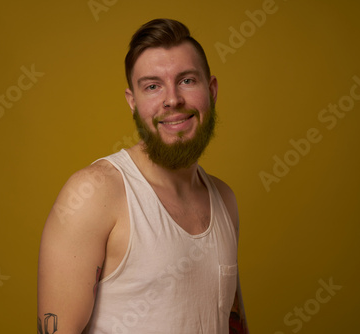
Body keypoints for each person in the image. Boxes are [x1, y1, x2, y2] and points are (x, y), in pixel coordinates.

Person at [38, 18, 249, 334]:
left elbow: (232, 322)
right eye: (153, 86)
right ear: (133, 103)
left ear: (212, 90)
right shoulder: (95, 194)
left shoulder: (224, 199)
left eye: (187, 81)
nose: (172, 100)